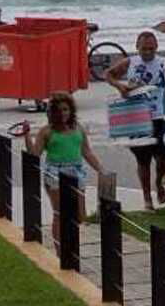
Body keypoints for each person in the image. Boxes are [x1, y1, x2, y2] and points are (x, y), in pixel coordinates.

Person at [106, 31, 165, 211]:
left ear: (156, 47)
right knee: (143, 160)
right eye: (144, 49)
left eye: (151, 49)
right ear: (137, 47)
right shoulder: (130, 63)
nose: (148, 52)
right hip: (137, 119)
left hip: (161, 118)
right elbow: (109, 74)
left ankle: (158, 184)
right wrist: (120, 86)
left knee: (163, 160)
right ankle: (146, 197)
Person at [20, 92, 104, 246]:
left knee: (80, 215)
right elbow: (35, 154)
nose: (63, 113)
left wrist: (101, 169)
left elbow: (87, 151)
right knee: (60, 213)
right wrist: (27, 136)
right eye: (58, 110)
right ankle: (60, 252)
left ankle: (71, 245)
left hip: (77, 171)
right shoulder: (46, 131)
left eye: (65, 109)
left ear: (71, 110)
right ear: (52, 112)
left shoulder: (79, 128)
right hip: (54, 173)